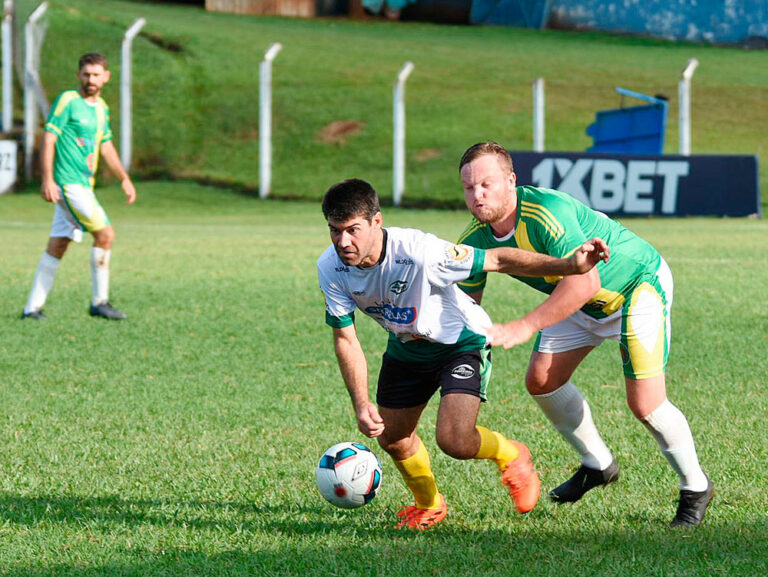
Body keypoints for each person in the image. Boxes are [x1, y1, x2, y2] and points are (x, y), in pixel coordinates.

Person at [317, 178, 609, 529]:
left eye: (352, 230)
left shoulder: (420, 252)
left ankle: (511, 453)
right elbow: (346, 338)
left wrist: (568, 266)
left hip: (461, 342)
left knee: (454, 440)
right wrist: (361, 403)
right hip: (407, 346)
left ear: (376, 221)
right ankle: (429, 505)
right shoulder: (330, 266)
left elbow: (497, 259)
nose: (343, 242)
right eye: (335, 231)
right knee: (392, 438)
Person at [456, 141, 713, 527]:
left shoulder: (546, 212)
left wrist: (524, 325)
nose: (477, 195)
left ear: (511, 181)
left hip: (635, 286)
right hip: (578, 298)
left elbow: (586, 281)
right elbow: (465, 308)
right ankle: (598, 465)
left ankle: (696, 487)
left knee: (646, 404)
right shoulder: (474, 238)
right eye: (469, 187)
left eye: (486, 184)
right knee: (542, 381)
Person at [21, 52, 136, 320]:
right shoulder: (68, 101)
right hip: (69, 185)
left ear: (106, 77)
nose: (90, 80)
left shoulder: (102, 108)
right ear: (78, 75)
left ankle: (32, 308)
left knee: (58, 245)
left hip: (84, 185)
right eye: (86, 74)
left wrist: (124, 178)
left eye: (96, 75)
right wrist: (48, 179)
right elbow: (49, 139)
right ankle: (100, 302)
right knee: (105, 235)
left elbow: (105, 146)